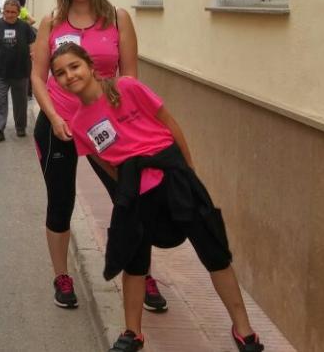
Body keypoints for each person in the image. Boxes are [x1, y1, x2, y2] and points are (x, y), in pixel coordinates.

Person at [50, 44, 264, 352]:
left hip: (174, 176)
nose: (69, 75)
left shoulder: (126, 87)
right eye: (60, 73)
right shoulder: (80, 124)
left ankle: (243, 329)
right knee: (133, 261)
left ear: (91, 66)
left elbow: (169, 122)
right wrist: (128, 193)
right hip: (136, 191)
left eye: (74, 66)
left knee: (214, 251)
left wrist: (188, 171)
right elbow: (107, 165)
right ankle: (132, 332)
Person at [30, 0, 167, 312]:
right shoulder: (51, 21)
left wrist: (125, 120)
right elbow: (38, 76)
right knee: (60, 202)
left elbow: (130, 77)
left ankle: (141, 272)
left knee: (130, 198)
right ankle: (62, 276)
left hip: (105, 127)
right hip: (58, 125)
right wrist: (53, 116)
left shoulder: (118, 19)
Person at [0, 0, 36, 142]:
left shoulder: (25, 27)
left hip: (21, 71)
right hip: (1, 71)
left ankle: (20, 127)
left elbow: (33, 47)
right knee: (0, 101)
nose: (10, 15)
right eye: (7, 11)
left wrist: (35, 66)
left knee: (20, 102)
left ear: (18, 13)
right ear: (3, 12)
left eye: (13, 12)